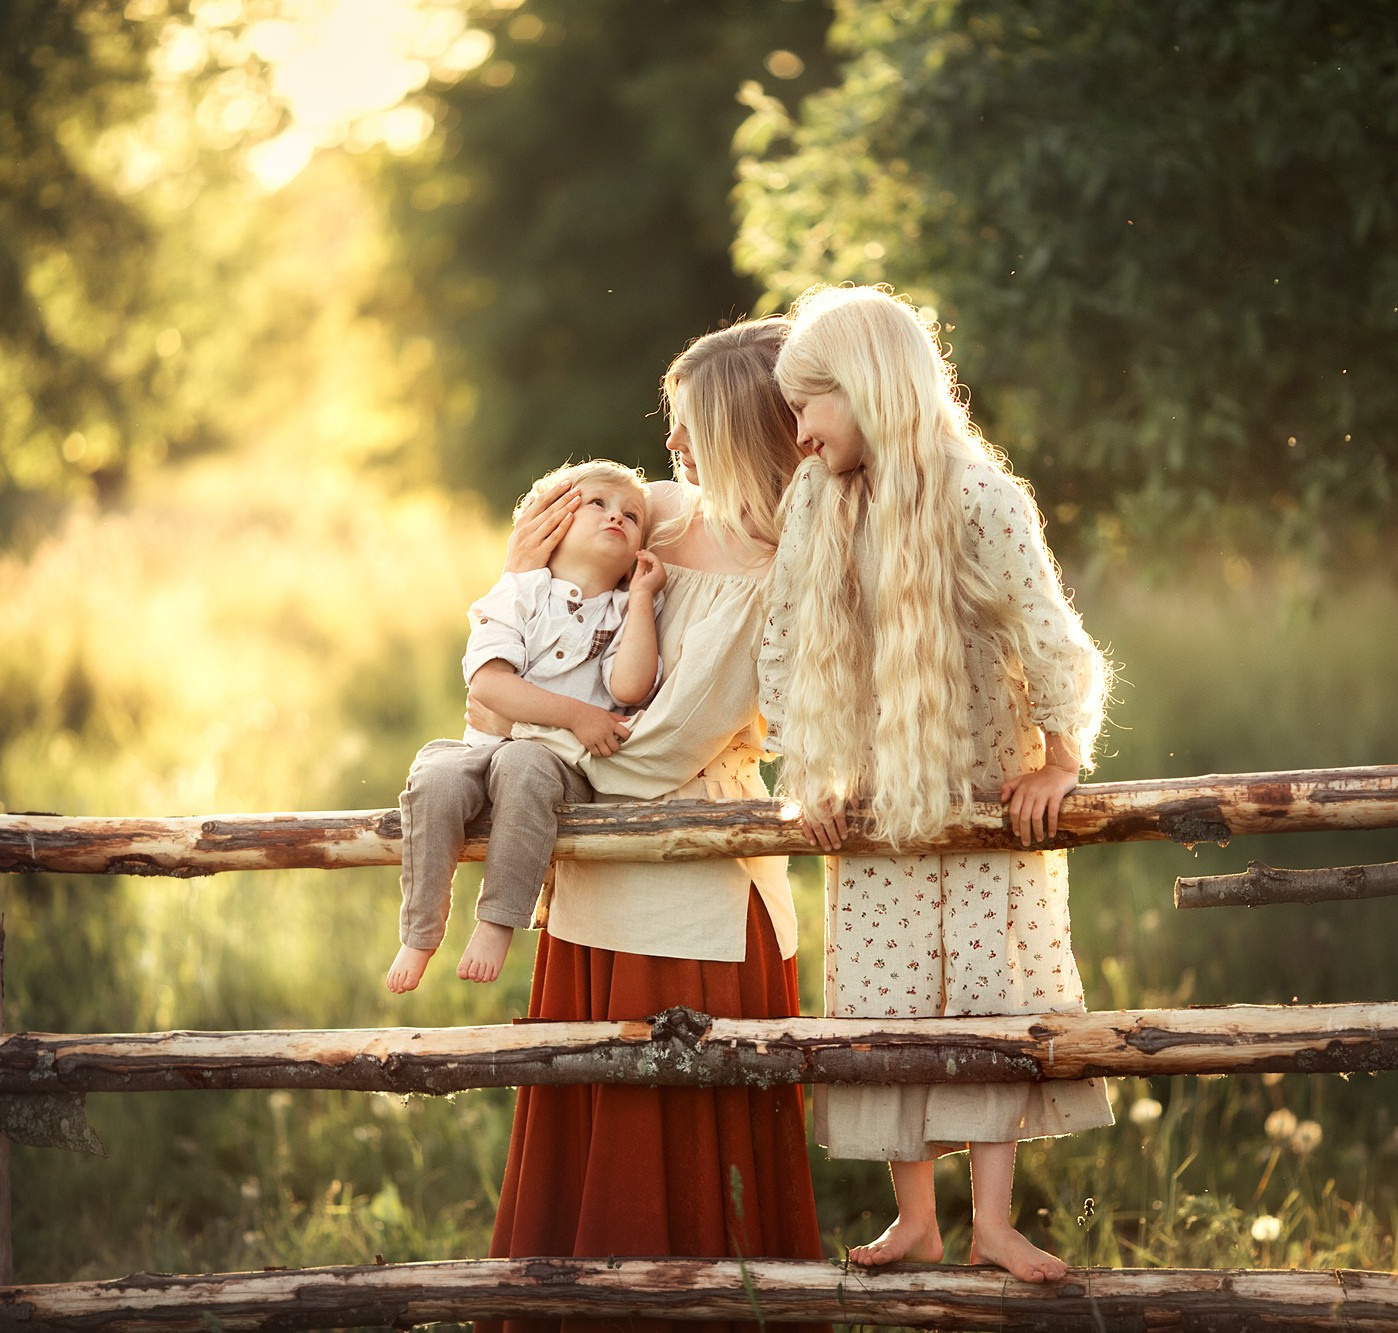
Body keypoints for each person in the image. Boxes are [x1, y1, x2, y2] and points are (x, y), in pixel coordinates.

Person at [470, 319, 823, 1333]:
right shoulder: (655, 516)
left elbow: (654, 748)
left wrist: (532, 736)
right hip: (588, 877)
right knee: (589, 1161)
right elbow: (520, 617)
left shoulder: (784, 573)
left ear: (738, 429)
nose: (667, 451)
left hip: (693, 894)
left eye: (685, 429)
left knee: (674, 1181)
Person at [758, 284, 1114, 1283]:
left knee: (985, 999)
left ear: (868, 390)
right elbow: (783, 646)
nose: (797, 436)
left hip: (978, 803)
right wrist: (811, 772)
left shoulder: (977, 500)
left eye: (808, 408)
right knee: (884, 996)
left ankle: (991, 1223)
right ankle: (912, 1216)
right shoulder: (816, 504)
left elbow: (1052, 642)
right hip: (876, 807)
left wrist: (1056, 758)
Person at [387, 460, 665, 994]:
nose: (616, 517)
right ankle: (422, 928)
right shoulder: (519, 592)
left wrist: (643, 601)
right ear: (552, 522)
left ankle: (496, 921)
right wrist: (579, 714)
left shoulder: (622, 611)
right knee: (436, 773)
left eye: (631, 515)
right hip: (482, 747)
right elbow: (488, 686)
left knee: (522, 762)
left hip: (553, 768)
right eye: (599, 505)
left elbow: (629, 689)